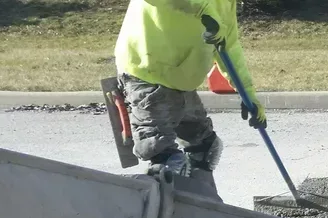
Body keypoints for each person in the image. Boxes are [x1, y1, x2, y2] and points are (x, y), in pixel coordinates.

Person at [114, 0, 265, 186]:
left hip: (182, 80)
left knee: (205, 149)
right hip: (147, 72)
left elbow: (228, 45)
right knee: (165, 159)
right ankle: (160, 210)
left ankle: (207, 208)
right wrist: (200, 6)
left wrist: (247, 93)